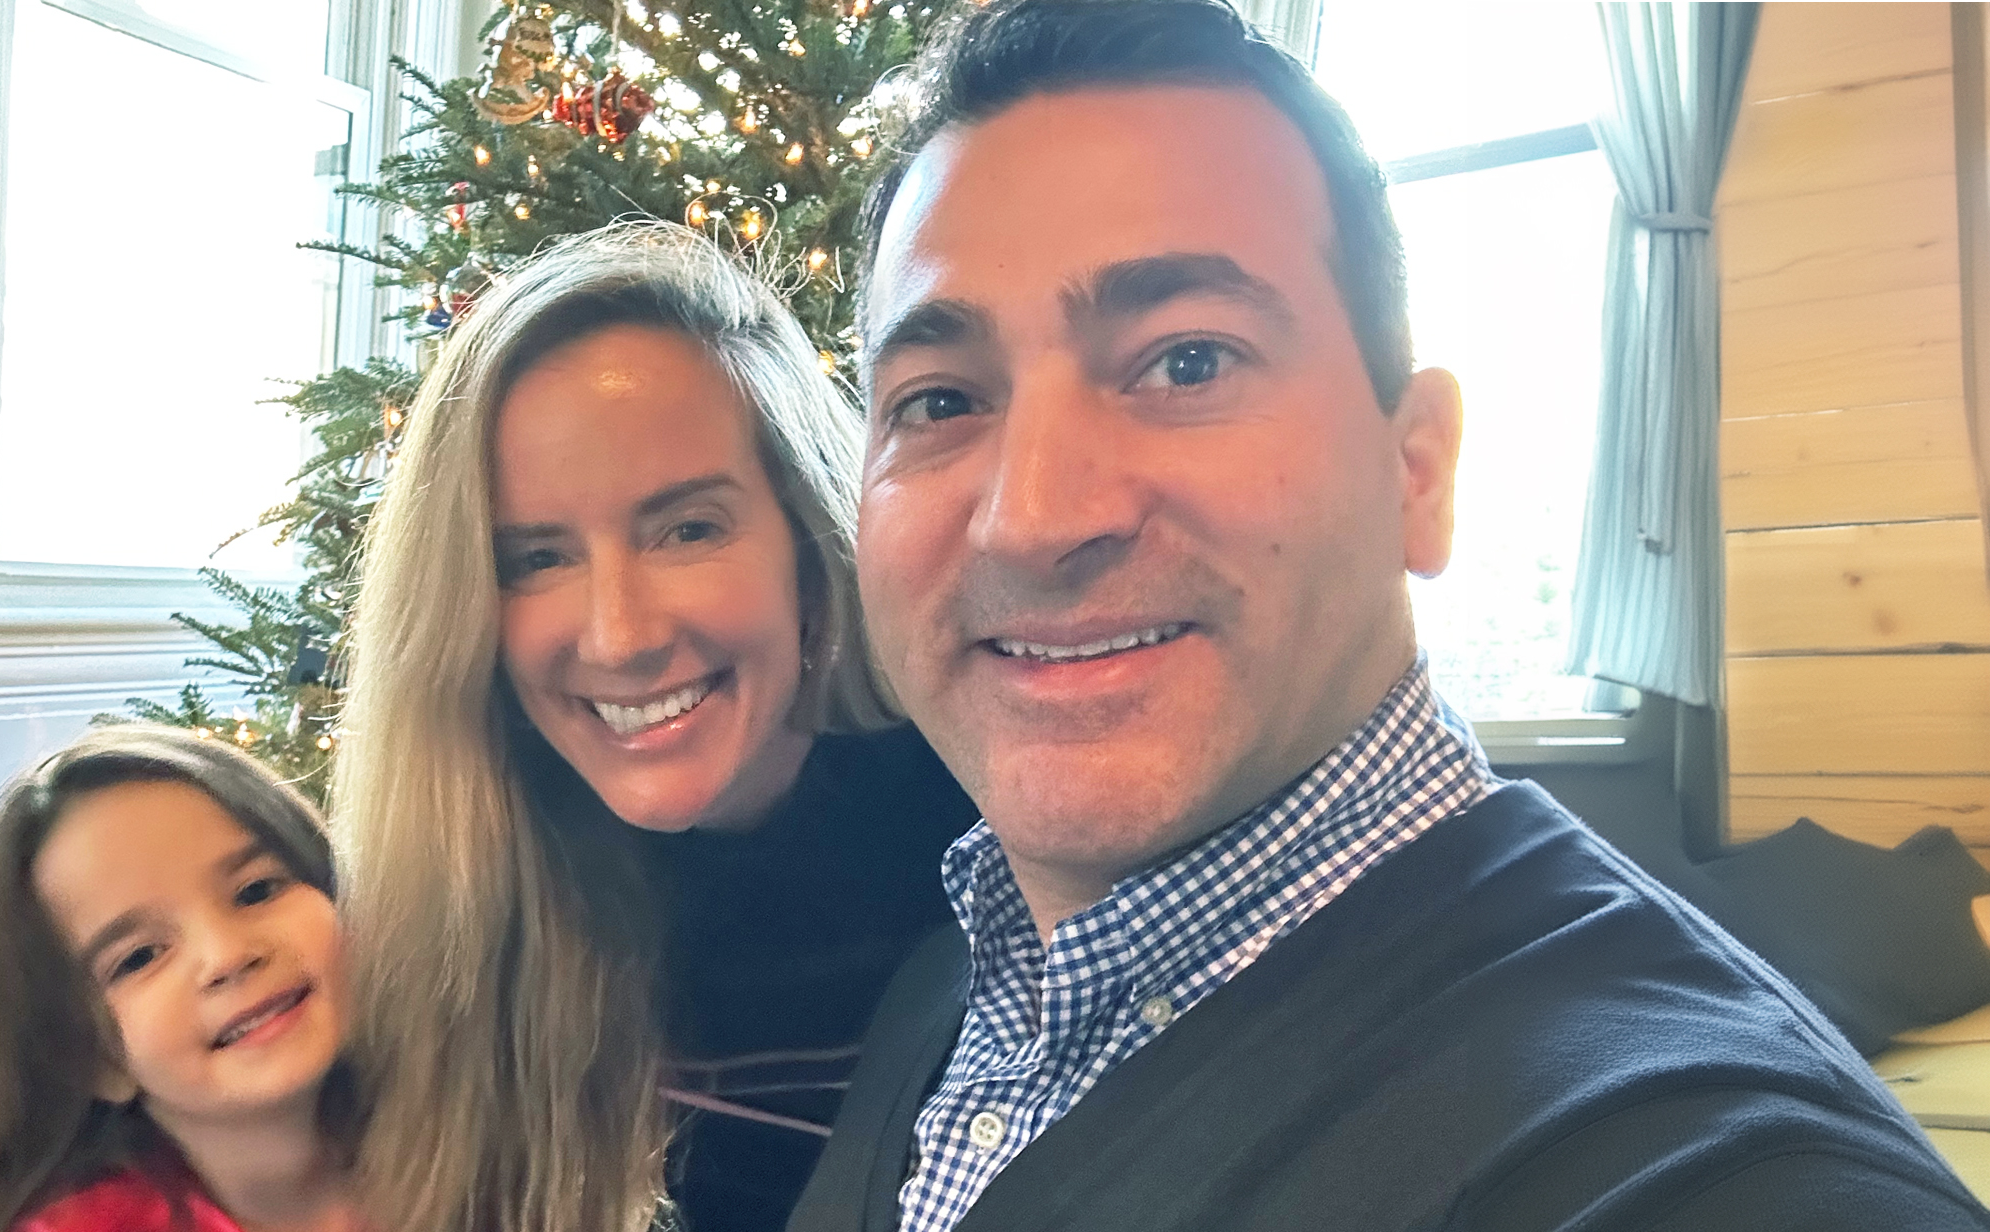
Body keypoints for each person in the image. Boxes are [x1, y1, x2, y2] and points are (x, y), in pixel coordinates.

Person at [787, 2, 1990, 1230]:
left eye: (1188, 361)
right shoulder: (957, 975)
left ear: (1417, 471)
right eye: (938, 401)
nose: (1031, 517)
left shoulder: (1720, 1175)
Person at [332, 222, 979, 1232]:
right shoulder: (457, 909)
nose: (620, 635)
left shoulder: (994, 842)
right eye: (536, 559)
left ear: (809, 540)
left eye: (687, 529)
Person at [0, 726, 363, 1232]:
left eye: (256, 890)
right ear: (89, 1057)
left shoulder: (446, 1128)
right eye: (140, 957)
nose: (227, 955)